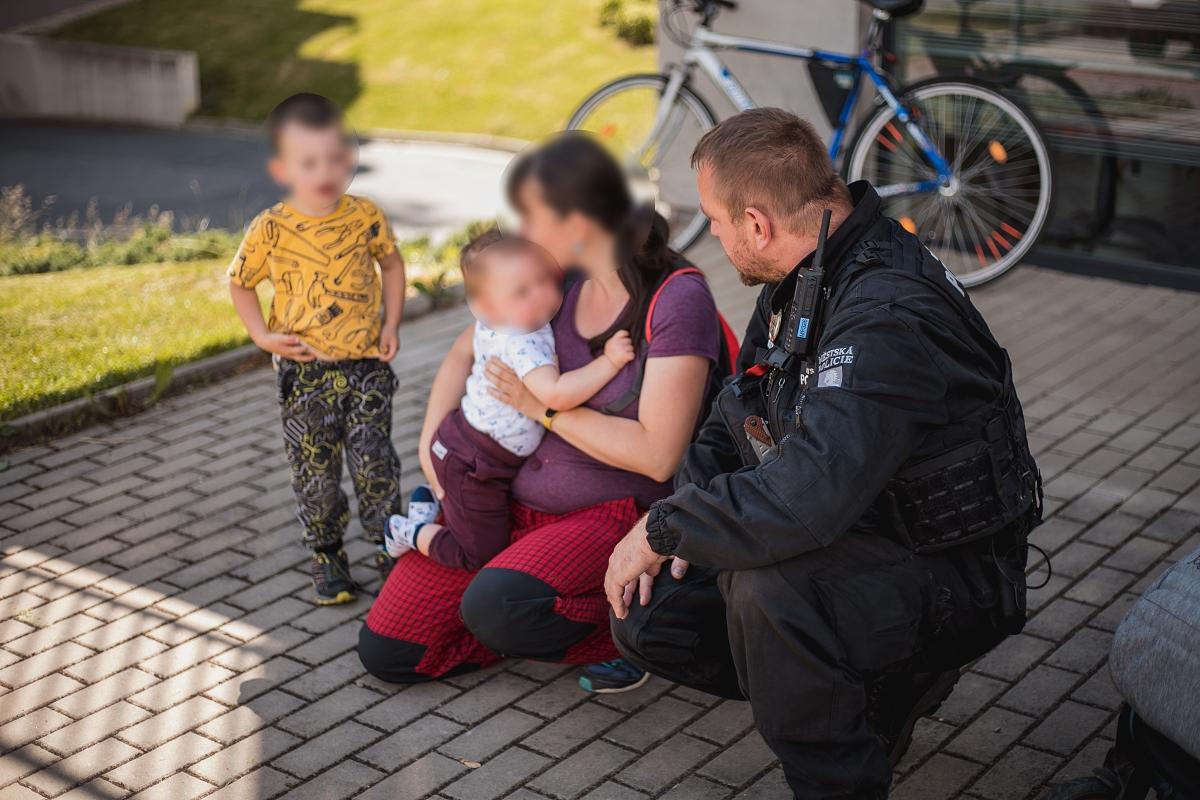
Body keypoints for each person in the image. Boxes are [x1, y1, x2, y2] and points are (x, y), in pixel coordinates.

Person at [604, 108, 1042, 799]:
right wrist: (676, 520)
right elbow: (732, 416)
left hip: (948, 571)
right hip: (859, 532)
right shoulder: (807, 269)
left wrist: (666, 528)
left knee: (767, 589)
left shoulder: (886, 311)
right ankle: (842, 696)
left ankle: (842, 763)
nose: (712, 236)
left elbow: (806, 498)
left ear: (756, 224)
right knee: (650, 612)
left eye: (714, 221)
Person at [357, 133, 721, 688]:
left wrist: (543, 410)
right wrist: (430, 441)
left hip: (614, 514)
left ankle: (639, 636)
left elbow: (657, 455)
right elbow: (465, 349)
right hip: (508, 499)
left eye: (529, 216)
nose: (519, 233)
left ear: (577, 224)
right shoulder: (556, 283)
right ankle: (518, 613)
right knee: (389, 648)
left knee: (497, 605)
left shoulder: (676, 298)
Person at [228, 93, 406, 606]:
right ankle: (327, 555)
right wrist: (261, 335)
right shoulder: (270, 228)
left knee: (375, 462)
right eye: (309, 162)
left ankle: (387, 546)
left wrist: (391, 321)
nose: (325, 171)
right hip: (305, 375)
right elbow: (240, 282)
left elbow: (391, 265)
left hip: (367, 368)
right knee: (316, 471)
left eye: (335, 158)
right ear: (282, 168)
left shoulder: (365, 215)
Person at [383, 230, 637, 570]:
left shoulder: (499, 317)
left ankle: (424, 502)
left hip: (468, 445)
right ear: (488, 306)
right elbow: (556, 394)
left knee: (474, 520)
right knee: (478, 553)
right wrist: (610, 362)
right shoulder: (522, 340)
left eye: (544, 280)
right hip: (475, 462)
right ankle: (408, 531)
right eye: (522, 291)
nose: (543, 295)